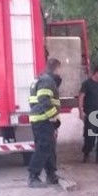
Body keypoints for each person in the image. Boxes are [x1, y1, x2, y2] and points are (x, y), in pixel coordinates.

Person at [27, 58, 62, 188]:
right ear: (56, 68)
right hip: (43, 119)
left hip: (41, 119)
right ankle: (33, 176)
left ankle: (51, 174)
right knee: (43, 147)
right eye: (60, 69)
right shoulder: (47, 81)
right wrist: (53, 117)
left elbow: (33, 101)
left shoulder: (40, 79)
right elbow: (44, 100)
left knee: (49, 147)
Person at [79, 64, 98, 163]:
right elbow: (81, 97)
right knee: (90, 136)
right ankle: (86, 153)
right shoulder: (86, 84)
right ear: (96, 73)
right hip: (90, 113)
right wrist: (81, 111)